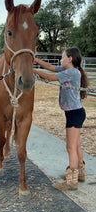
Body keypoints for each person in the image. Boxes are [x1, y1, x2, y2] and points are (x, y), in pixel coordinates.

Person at [33, 47, 88, 190]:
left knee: (70, 147)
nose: (60, 60)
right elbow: (50, 67)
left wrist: (31, 70)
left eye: (62, 57)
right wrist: (34, 60)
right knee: (75, 145)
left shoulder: (71, 72)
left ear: (70, 59)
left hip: (74, 113)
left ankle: (71, 181)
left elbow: (50, 77)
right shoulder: (68, 70)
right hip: (75, 112)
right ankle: (79, 173)